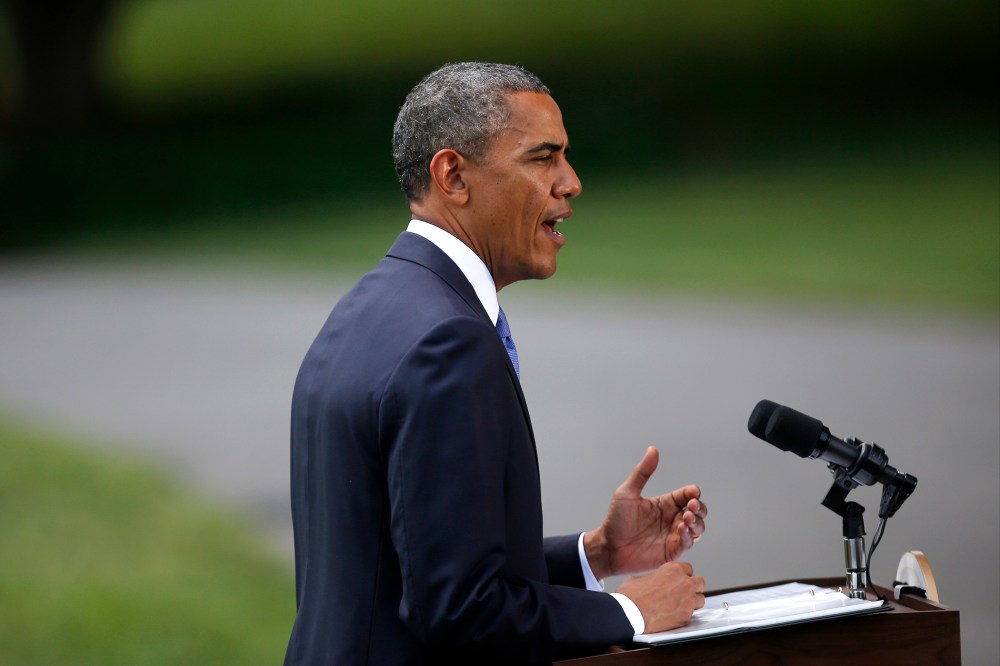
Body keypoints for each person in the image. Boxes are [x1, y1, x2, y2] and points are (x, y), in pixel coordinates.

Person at [284, 62, 708, 665]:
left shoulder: (370, 308)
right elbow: (458, 609)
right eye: (543, 158)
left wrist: (596, 554)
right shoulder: (448, 341)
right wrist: (629, 611)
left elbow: (408, 566)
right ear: (453, 175)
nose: (571, 183)